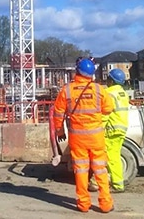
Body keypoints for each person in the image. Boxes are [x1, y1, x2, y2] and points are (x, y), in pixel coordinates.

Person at [52, 57, 115, 213]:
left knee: (81, 170)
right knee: (100, 170)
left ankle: (83, 204)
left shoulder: (67, 90)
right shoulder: (99, 89)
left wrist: (59, 131)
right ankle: (106, 204)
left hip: (78, 138)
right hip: (96, 137)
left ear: (77, 71)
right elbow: (109, 108)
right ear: (91, 74)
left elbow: (58, 113)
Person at [103, 68, 130, 193]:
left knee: (111, 157)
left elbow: (105, 113)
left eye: (108, 79)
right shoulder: (123, 93)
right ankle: (96, 182)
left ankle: (118, 185)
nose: (106, 81)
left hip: (111, 130)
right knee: (114, 156)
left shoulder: (108, 93)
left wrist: (98, 127)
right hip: (121, 128)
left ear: (112, 81)